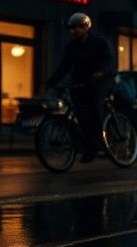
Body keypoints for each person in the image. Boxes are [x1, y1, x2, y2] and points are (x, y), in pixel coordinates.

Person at [46, 12, 115, 162]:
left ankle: (98, 145)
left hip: (101, 81)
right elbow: (64, 67)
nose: (72, 31)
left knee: (95, 110)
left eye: (76, 27)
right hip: (81, 83)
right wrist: (51, 82)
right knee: (81, 115)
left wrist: (101, 72)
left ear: (85, 27)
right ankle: (89, 147)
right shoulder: (71, 48)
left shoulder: (99, 42)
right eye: (70, 28)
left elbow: (108, 60)